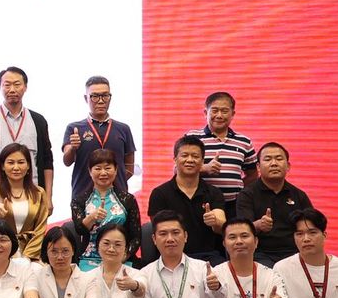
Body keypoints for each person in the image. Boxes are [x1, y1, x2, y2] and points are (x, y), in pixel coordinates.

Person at [0, 66, 53, 211]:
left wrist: (48, 197)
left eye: (17, 84)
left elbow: (47, 162)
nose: (12, 89)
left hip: (33, 196)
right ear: (0, 87)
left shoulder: (38, 121)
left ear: (25, 87)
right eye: (7, 85)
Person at [146, 136, 227, 265]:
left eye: (195, 156)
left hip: (208, 257)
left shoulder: (214, 193)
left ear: (202, 161)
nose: (189, 160)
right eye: (184, 155)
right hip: (171, 256)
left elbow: (222, 225)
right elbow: (159, 231)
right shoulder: (159, 193)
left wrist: (215, 222)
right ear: (175, 159)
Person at [234, 142, 310, 264]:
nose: (274, 163)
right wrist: (258, 225)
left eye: (279, 159)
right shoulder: (247, 195)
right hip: (259, 253)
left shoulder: (299, 195)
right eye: (268, 159)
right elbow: (240, 230)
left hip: (294, 253)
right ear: (258, 167)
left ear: (288, 166)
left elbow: (311, 225)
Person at [62, 75, 137, 198]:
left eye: (105, 95)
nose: (101, 101)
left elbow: (129, 167)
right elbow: (67, 161)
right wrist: (73, 148)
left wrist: (108, 181)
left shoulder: (123, 129)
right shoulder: (74, 128)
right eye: (95, 96)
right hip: (83, 196)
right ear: (86, 98)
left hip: (117, 197)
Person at [186, 91, 257, 217]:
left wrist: (239, 191)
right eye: (214, 110)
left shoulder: (244, 141)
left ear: (233, 114)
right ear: (205, 113)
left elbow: (252, 174)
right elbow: (178, 170)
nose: (219, 115)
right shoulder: (192, 138)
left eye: (224, 111)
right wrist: (204, 169)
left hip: (234, 207)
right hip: (199, 204)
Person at [70, 149, 141, 270]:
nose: (103, 173)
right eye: (98, 168)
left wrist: (122, 257)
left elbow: (136, 237)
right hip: (89, 260)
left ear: (116, 169)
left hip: (120, 260)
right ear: (90, 171)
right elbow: (79, 230)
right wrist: (91, 218)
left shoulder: (128, 199)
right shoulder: (79, 200)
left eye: (108, 168)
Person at [0, 143, 51, 260]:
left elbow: (40, 229)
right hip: (1, 252)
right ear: (2, 166)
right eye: (11, 162)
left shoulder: (39, 193)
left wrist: (27, 257)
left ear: (28, 166)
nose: (16, 167)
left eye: (21, 162)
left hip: (31, 255)